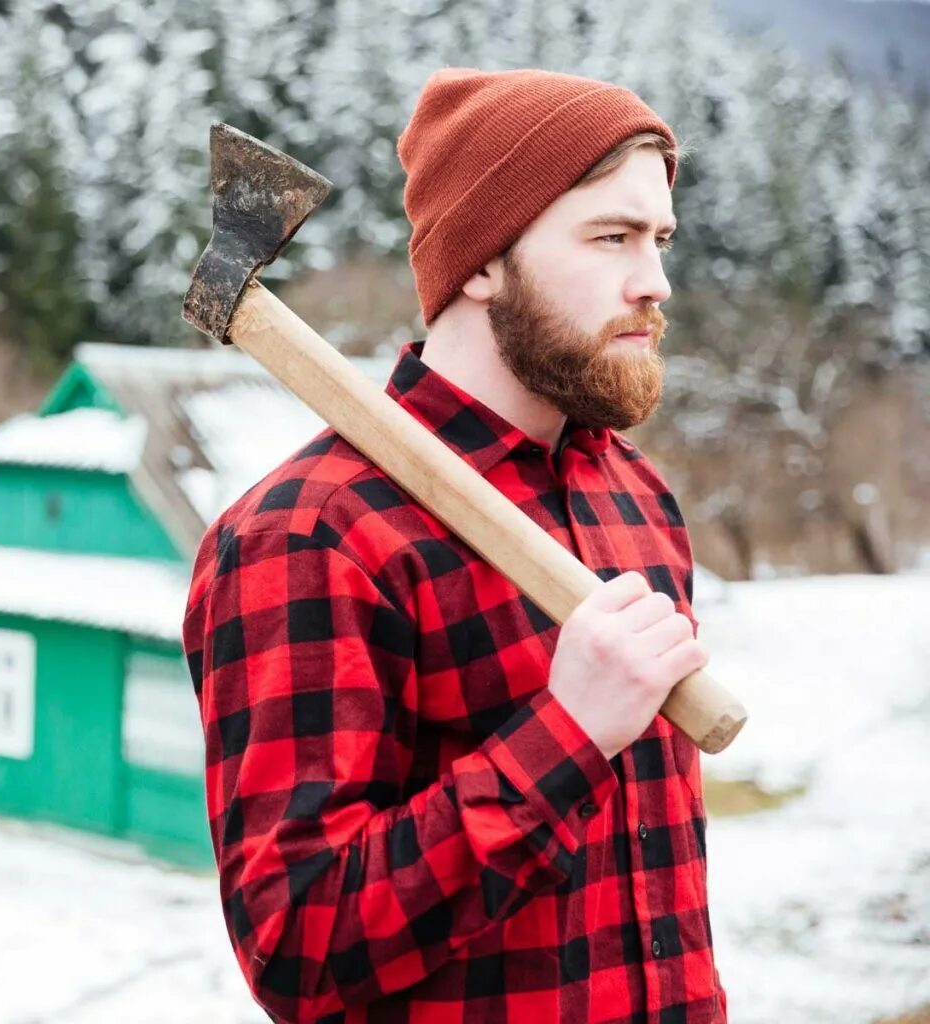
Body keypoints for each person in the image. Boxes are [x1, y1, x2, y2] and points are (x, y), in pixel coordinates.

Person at [181, 68, 727, 1023]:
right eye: (611, 238)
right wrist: (569, 733)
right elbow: (299, 947)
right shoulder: (311, 534)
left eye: (660, 239)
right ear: (481, 261)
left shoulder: (636, 496)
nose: (655, 281)